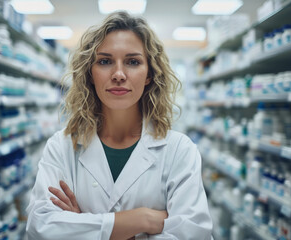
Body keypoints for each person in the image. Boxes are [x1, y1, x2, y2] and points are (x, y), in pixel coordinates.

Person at [26, 11, 213, 240]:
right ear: (90, 74)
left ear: (149, 75)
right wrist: (142, 220)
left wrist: (84, 226)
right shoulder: (62, 146)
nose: (119, 74)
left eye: (133, 62)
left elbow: (194, 234)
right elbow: (40, 226)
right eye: (105, 61)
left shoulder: (179, 150)